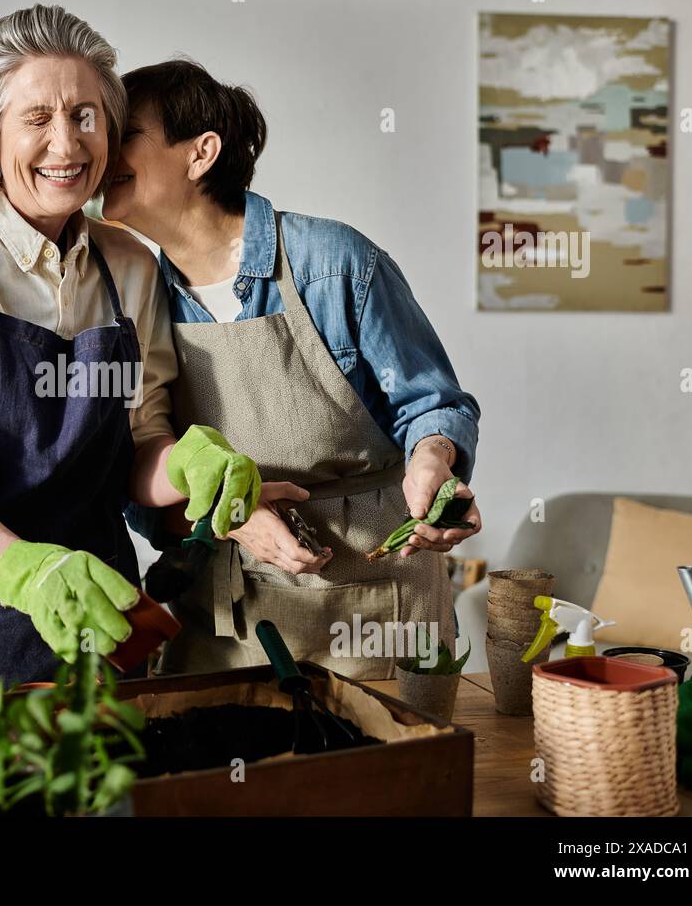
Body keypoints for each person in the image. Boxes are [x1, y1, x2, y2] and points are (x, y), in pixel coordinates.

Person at [0, 10, 259, 702]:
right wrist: (25, 572)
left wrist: (188, 463)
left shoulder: (128, 266)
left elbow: (138, 444)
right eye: (36, 118)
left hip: (87, 629)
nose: (64, 143)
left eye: (85, 115)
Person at [106, 59, 482, 679]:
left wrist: (432, 461)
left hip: (377, 608)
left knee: (388, 774)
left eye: (128, 134)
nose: (100, 150)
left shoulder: (332, 264)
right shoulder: (137, 293)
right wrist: (229, 517)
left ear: (200, 153)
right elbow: (144, 488)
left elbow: (434, 405)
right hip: (228, 623)